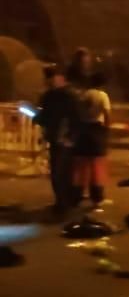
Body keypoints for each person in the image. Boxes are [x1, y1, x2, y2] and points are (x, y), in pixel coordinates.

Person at [34, 64, 80, 211]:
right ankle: (63, 201)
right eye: (48, 77)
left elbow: (76, 117)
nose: (50, 81)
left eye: (52, 77)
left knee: (61, 172)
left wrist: (71, 136)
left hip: (64, 139)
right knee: (59, 172)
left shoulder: (67, 95)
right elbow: (45, 117)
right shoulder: (50, 96)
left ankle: (65, 202)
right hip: (58, 139)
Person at [72, 72, 113, 210]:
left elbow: (77, 113)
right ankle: (97, 198)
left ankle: (76, 196)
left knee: (81, 166)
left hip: (83, 130)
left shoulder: (83, 95)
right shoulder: (102, 96)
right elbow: (107, 114)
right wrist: (107, 130)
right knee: (96, 166)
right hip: (96, 130)